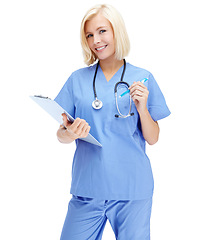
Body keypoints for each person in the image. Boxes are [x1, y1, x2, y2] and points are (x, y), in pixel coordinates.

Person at [55, 4, 170, 240]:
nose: (96, 40)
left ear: (117, 31)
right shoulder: (77, 80)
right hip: (88, 188)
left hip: (132, 188)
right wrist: (69, 133)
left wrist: (142, 109)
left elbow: (153, 138)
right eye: (89, 35)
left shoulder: (142, 77)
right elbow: (61, 132)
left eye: (102, 31)